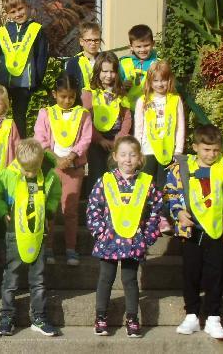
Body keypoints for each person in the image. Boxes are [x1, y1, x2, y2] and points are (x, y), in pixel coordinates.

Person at [166, 124, 223, 340]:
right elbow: (171, 193)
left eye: (215, 150)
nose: (211, 154)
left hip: (216, 232)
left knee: (215, 275)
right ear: (195, 147)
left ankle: (213, 317)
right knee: (191, 274)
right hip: (192, 231)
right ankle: (191, 314)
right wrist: (178, 212)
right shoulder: (181, 168)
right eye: (206, 149)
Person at [86, 136, 162, 338]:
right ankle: (101, 316)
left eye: (133, 155)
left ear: (140, 159)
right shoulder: (105, 181)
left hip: (133, 241)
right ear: (115, 157)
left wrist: (147, 236)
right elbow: (94, 207)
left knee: (130, 280)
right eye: (123, 154)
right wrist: (100, 232)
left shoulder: (148, 184)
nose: (128, 159)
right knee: (105, 278)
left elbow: (156, 210)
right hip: (108, 239)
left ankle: (132, 317)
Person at [0, 138, 62, 337]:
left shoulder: (49, 177)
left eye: (34, 169)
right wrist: (2, 210)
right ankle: (7, 316)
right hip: (13, 233)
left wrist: (49, 211)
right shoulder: (7, 175)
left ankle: (39, 317)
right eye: (26, 169)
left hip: (38, 234)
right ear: (17, 161)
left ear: (41, 161)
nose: (30, 173)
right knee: (10, 278)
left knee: (38, 279)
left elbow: (55, 195)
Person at [33, 73, 92, 265]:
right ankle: (48, 248)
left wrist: (72, 156)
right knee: (51, 208)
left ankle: (71, 249)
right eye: (63, 96)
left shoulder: (83, 114)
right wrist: (56, 159)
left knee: (71, 209)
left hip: (74, 167)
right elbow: (40, 138)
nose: (67, 101)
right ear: (54, 94)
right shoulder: (45, 113)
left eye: (71, 97)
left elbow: (86, 138)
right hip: (52, 167)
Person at [134, 60, 185, 234]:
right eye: (155, 80)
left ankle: (162, 216)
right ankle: (144, 215)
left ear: (169, 80)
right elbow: (139, 127)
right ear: (150, 82)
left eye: (163, 79)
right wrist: (137, 151)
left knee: (164, 185)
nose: (160, 84)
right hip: (147, 150)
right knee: (146, 184)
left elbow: (180, 126)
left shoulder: (175, 100)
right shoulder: (143, 101)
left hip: (168, 151)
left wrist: (178, 150)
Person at [0, 0, 49, 138]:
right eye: (13, 11)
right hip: (5, 82)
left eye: (20, 9)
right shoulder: (3, 32)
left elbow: (41, 56)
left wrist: (37, 79)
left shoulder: (36, 30)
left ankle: (20, 147)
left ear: (27, 6)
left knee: (20, 117)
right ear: (8, 14)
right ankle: (0, 145)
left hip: (25, 83)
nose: (18, 14)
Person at [82, 52, 132, 192]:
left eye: (112, 71)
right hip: (96, 141)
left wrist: (119, 138)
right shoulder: (89, 92)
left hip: (117, 140)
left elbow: (127, 117)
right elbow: (86, 120)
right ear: (98, 71)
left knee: (116, 176)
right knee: (96, 177)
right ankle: (94, 210)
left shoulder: (121, 92)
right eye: (105, 71)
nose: (108, 75)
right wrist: (100, 139)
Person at [119, 24, 159, 109]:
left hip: (151, 110)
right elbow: (114, 84)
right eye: (138, 46)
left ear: (153, 44)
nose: (143, 50)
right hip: (128, 110)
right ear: (131, 47)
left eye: (146, 45)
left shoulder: (158, 63)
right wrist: (122, 85)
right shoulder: (123, 63)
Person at [65, 21, 102, 93]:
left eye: (96, 40)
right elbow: (69, 87)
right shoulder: (74, 63)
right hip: (82, 102)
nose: (93, 43)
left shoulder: (106, 60)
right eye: (88, 40)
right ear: (81, 41)